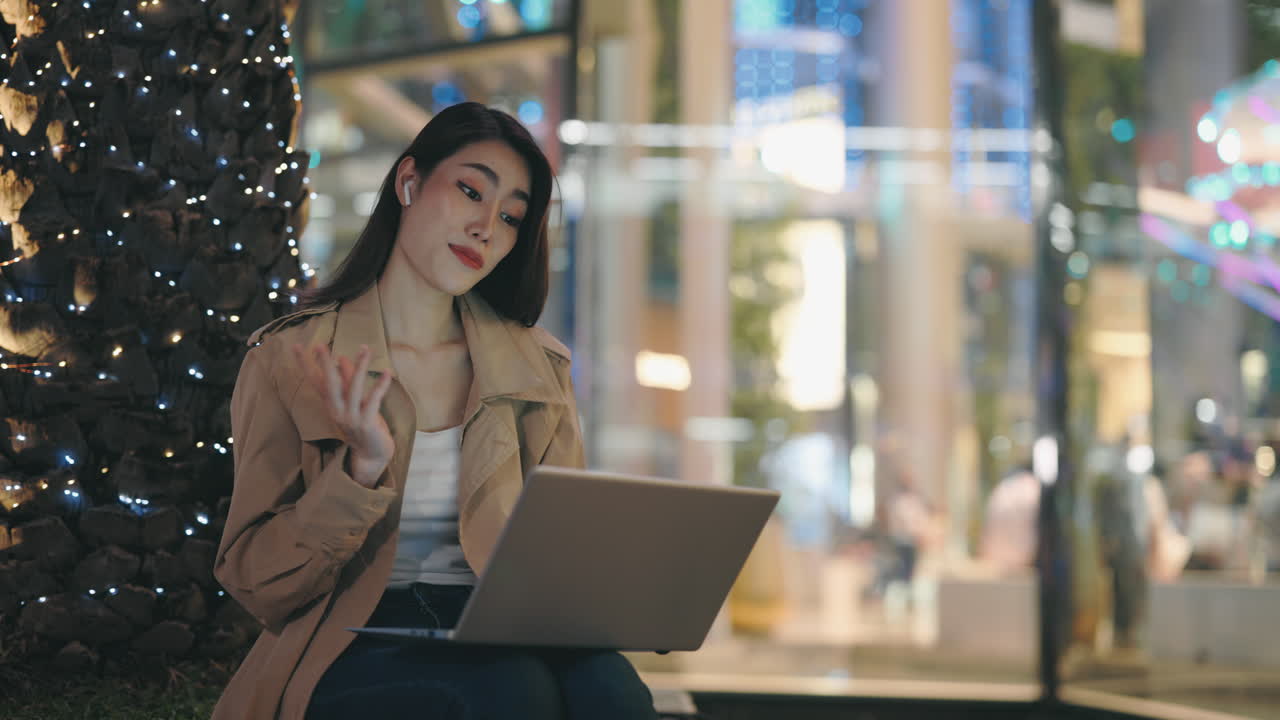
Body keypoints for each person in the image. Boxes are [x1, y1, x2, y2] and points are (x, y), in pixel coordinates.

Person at [211, 103, 657, 720]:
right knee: (509, 691)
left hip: (499, 630)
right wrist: (360, 471)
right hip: (350, 638)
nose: (485, 227)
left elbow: (558, 552)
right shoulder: (291, 358)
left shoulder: (537, 368)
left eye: (510, 217)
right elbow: (256, 580)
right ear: (409, 182)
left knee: (614, 691)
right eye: (471, 191)